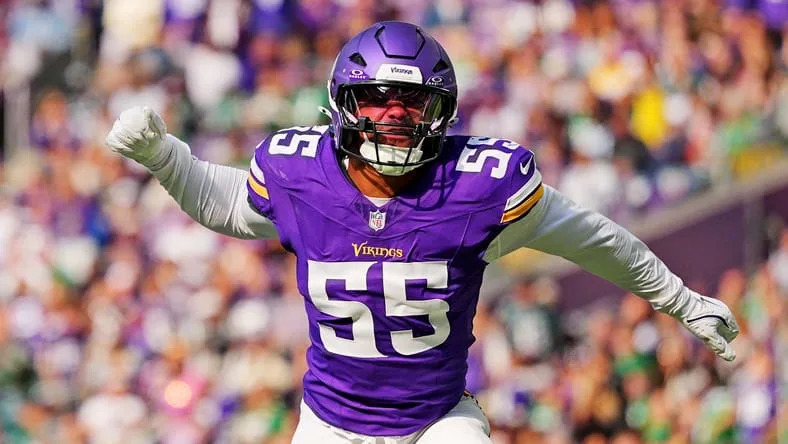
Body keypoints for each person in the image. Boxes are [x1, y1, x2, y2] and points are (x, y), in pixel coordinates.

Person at [105, 21, 739, 444]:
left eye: (413, 102)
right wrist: (167, 158)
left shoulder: (478, 184)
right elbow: (226, 205)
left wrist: (678, 299)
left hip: (437, 422)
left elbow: (593, 238)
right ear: (344, 103)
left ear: (443, 111)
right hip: (331, 426)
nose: (396, 116)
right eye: (379, 97)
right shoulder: (301, 173)